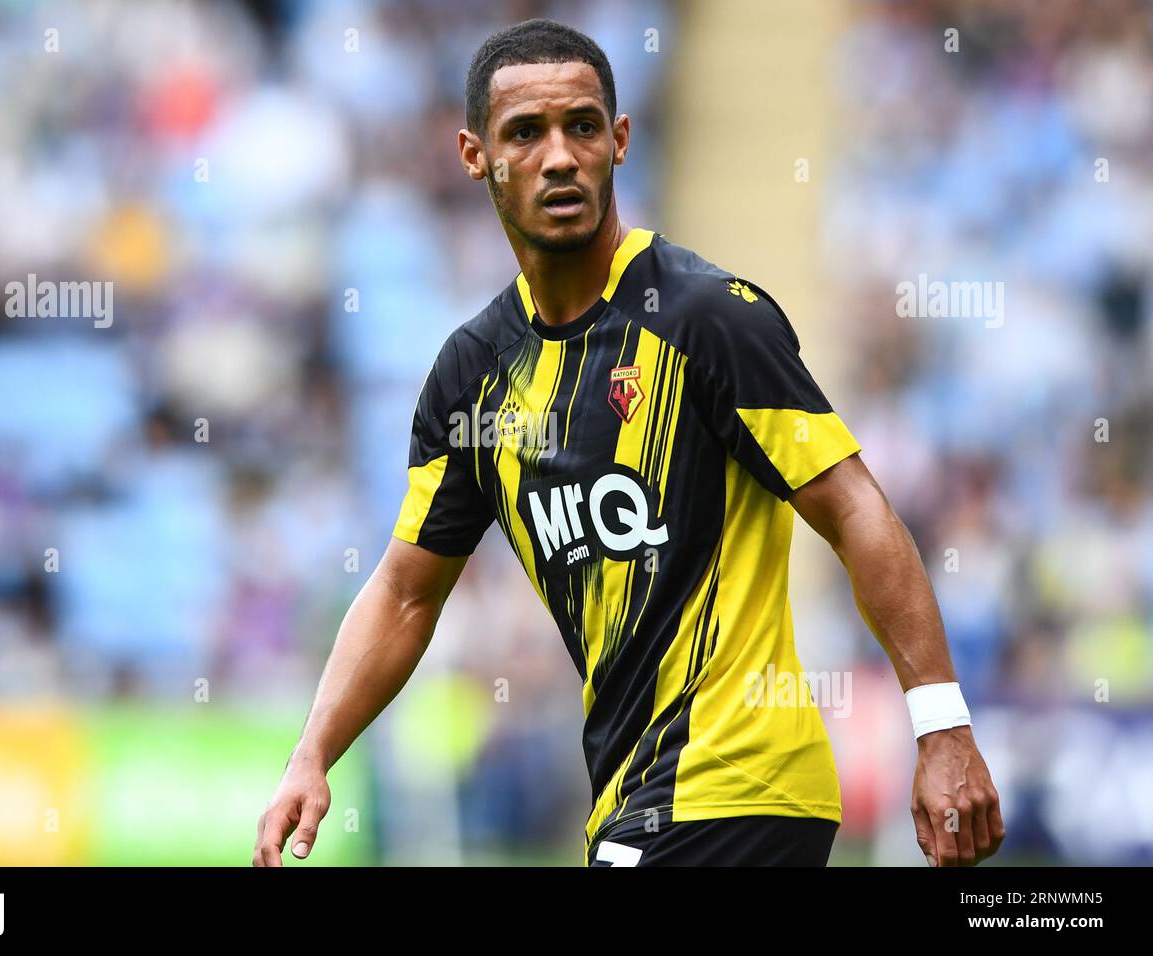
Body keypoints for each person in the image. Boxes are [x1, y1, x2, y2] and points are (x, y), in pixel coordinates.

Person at [253, 17, 1004, 867]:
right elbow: (406, 593)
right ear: (474, 155)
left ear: (619, 141)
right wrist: (311, 755)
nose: (560, 156)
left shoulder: (706, 318)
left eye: (581, 127)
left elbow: (853, 505)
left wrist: (942, 727)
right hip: (633, 798)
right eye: (525, 133)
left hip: (736, 781)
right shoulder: (472, 376)